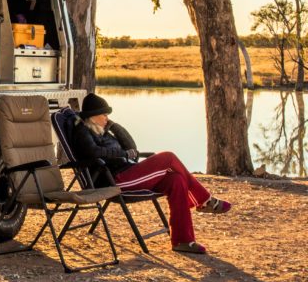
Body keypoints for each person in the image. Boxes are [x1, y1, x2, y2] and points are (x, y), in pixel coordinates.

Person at [69, 93, 231, 255]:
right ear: (93, 116)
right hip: (113, 180)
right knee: (168, 157)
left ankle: (182, 240)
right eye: (104, 115)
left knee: (176, 179)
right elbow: (94, 152)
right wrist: (124, 154)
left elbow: (132, 149)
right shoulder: (82, 132)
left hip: (127, 173)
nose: (107, 118)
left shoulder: (103, 132)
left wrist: (114, 126)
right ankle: (204, 199)